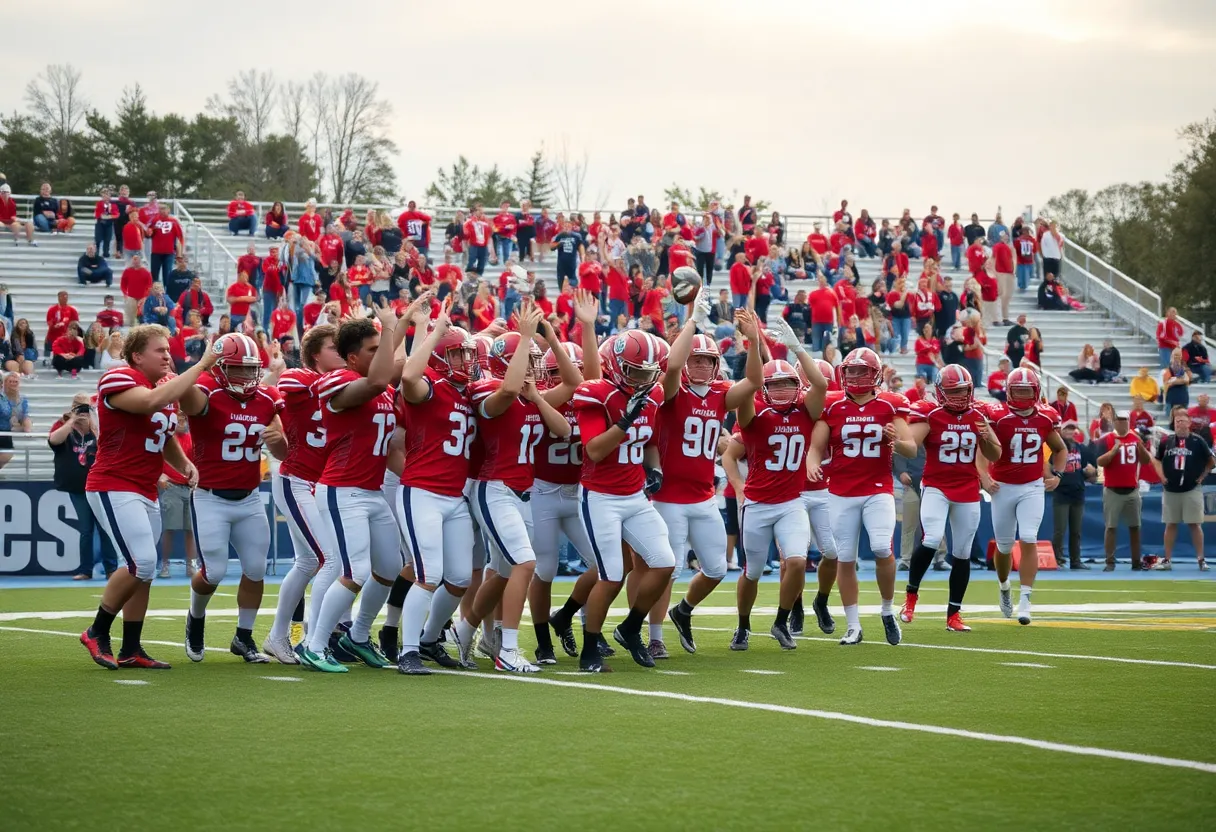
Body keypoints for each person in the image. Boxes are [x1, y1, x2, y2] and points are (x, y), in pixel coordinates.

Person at [78, 325, 215, 670]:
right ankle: (96, 630)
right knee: (141, 563)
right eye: (159, 350)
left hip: (144, 488)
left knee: (144, 571)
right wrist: (202, 365)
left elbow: (164, 436)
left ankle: (131, 648)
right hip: (113, 483)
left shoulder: (160, 389)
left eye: (169, 349)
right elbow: (150, 403)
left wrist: (184, 463)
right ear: (137, 356)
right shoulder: (119, 377)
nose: (168, 355)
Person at [454, 305, 581, 672]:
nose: (536, 367)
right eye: (528, 360)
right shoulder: (490, 392)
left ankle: (465, 632)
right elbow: (508, 389)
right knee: (525, 562)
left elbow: (570, 391)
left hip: (520, 493)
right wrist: (524, 336)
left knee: (505, 572)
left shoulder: (531, 397)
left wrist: (550, 337)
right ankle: (507, 649)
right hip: (493, 488)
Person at [293, 304, 411, 673]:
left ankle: (358, 636)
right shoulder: (336, 380)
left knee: (390, 567)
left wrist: (414, 480)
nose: (382, 356)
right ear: (351, 357)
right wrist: (392, 326)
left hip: (371, 490)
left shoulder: (382, 392)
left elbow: (389, 447)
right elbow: (377, 379)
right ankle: (312, 644)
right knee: (355, 570)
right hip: (342, 489)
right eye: (374, 350)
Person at [559, 330, 677, 672]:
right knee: (611, 575)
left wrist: (654, 469)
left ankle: (630, 626)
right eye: (636, 371)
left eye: (648, 371)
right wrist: (625, 420)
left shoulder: (652, 393)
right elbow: (594, 449)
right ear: (615, 365)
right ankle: (590, 648)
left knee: (664, 562)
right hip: (600, 496)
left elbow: (650, 441)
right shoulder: (594, 393)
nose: (644, 378)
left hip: (635, 493)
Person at [659, 303, 763, 655]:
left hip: (703, 495)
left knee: (718, 568)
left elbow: (754, 382)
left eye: (707, 361)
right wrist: (691, 322)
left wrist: (753, 342)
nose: (701, 366)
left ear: (717, 365)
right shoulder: (672, 390)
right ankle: (654, 638)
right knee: (667, 570)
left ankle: (683, 611)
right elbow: (672, 365)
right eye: (695, 360)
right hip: (668, 496)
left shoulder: (720, 392)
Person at [177, 332, 287, 665]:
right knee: (214, 571)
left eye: (251, 369)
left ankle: (244, 636)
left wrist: (278, 437)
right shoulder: (205, 392)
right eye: (238, 369)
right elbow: (182, 394)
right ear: (221, 368)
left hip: (250, 498)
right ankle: (195, 617)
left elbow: (283, 449)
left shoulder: (267, 399)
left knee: (255, 569)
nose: (247, 376)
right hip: (211, 497)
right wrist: (202, 364)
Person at [809, 347, 915, 646]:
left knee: (882, 547)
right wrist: (813, 463)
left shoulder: (890, 405)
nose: (855, 376)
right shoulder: (831, 405)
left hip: (877, 487)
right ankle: (853, 625)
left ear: (875, 374)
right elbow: (816, 446)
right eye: (850, 371)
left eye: (861, 371)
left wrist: (895, 438)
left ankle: (886, 609)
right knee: (845, 557)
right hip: (841, 490)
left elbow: (911, 448)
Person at [260, 324, 346, 663]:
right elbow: (274, 389)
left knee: (309, 561)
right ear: (314, 355)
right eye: (333, 347)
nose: (340, 352)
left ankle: (279, 636)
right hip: (297, 478)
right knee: (331, 560)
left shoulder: (342, 385)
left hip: (321, 481)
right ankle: (314, 638)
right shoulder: (300, 379)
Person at [902, 365, 1003, 630]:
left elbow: (995, 455)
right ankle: (911, 596)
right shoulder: (929, 413)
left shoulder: (979, 413)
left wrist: (988, 436)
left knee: (962, 553)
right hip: (937, 486)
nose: (959, 396)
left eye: (963, 391)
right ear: (940, 392)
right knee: (932, 538)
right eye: (953, 391)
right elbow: (912, 447)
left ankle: (953, 615)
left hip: (968, 488)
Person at [980, 368, 1067, 625]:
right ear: (1008, 391)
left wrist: (1058, 475)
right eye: (1017, 390)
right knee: (1005, 546)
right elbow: (982, 450)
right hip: (1003, 486)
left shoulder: (1045, 417)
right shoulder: (997, 416)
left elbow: (1060, 449)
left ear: (1036, 391)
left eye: (1026, 390)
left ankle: (1026, 600)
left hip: (1032, 485)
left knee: (1029, 536)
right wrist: (984, 477)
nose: (1021, 395)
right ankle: (1005, 585)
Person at [50, 395, 115, 580]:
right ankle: (85, 570)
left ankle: (111, 568)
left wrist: (93, 424)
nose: (82, 412)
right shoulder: (62, 425)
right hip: (78, 488)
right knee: (86, 530)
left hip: (100, 485)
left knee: (105, 528)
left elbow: (108, 443)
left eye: (86, 407)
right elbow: (54, 441)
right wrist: (71, 421)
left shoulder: (96, 426)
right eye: (79, 407)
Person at [1152, 410, 1213, 571]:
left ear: (1189, 422)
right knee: (1170, 524)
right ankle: (1167, 559)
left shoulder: (1197, 440)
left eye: (1182, 420)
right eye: (1177, 421)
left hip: (1191, 488)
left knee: (1195, 524)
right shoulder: (1167, 441)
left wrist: (1202, 476)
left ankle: (1201, 559)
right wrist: (1162, 476)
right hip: (1171, 488)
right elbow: (1156, 460)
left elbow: (1211, 460)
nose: (1179, 423)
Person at [1096, 411, 1150, 571]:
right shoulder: (1107, 439)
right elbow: (1100, 461)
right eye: (1119, 420)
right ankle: (1110, 562)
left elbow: (1146, 461)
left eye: (1125, 420)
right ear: (1114, 422)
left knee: (1135, 527)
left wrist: (1140, 445)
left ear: (1129, 421)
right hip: (1112, 489)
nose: (1122, 423)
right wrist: (1114, 450)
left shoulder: (1135, 438)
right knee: (1111, 527)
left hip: (1132, 489)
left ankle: (1136, 562)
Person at [1053, 422, 1096, 570]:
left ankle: (1075, 560)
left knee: (1076, 530)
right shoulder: (1055, 447)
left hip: (1077, 492)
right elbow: (1047, 466)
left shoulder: (1080, 448)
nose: (1070, 432)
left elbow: (1090, 464)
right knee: (1060, 529)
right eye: (1067, 429)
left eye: (1072, 429)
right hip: (1061, 493)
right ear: (1061, 431)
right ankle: (1057, 559)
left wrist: (1089, 474)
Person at [157, 412, 196, 578]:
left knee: (191, 529)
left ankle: (191, 564)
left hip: (189, 486)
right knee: (169, 528)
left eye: (184, 418)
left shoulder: (191, 437)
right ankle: (164, 564)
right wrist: (159, 475)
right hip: (171, 485)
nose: (182, 421)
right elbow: (156, 456)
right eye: (179, 418)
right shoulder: (166, 439)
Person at [0, 373, 33, 470]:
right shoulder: (3, 397)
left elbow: (24, 414)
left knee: (7, 454)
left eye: (15, 382)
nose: (13, 384)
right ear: (4, 383)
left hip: (6, 429)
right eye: (10, 381)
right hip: (4, 427)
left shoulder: (22, 398)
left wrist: (27, 427)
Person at [147, 203, 184, 285]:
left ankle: (167, 295)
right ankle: (154, 295)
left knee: (167, 276)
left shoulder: (174, 222)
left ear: (168, 210)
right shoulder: (154, 221)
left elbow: (180, 237)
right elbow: (148, 234)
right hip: (156, 252)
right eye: (160, 209)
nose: (162, 211)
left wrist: (180, 254)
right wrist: (149, 232)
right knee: (154, 276)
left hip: (169, 253)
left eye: (164, 208)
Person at [121, 255, 154, 328]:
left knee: (142, 315)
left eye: (137, 259)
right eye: (134, 260)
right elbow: (123, 284)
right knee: (130, 316)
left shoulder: (146, 272)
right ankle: (129, 327)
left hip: (142, 297)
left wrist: (145, 297)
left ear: (140, 261)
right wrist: (125, 294)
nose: (135, 261)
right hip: (131, 296)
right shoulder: (127, 271)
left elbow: (149, 286)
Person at [93, 188, 120, 258]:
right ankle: (96, 253)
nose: (106, 197)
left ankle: (106, 253)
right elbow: (97, 213)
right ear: (101, 196)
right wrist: (101, 216)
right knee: (98, 239)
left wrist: (111, 216)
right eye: (104, 195)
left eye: (107, 195)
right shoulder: (99, 204)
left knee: (107, 239)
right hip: (100, 223)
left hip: (109, 223)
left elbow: (117, 214)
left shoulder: (113, 205)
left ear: (110, 196)